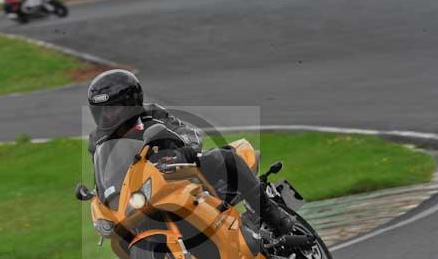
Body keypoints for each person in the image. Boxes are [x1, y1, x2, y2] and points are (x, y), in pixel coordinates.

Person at [87, 69, 295, 236]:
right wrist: (100, 195)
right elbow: (104, 171)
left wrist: (185, 151)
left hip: (179, 170)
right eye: (101, 111)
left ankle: (272, 214)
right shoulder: (97, 140)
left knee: (227, 157)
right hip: (142, 189)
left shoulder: (152, 113)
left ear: (130, 103)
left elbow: (188, 132)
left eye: (111, 108)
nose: (106, 116)